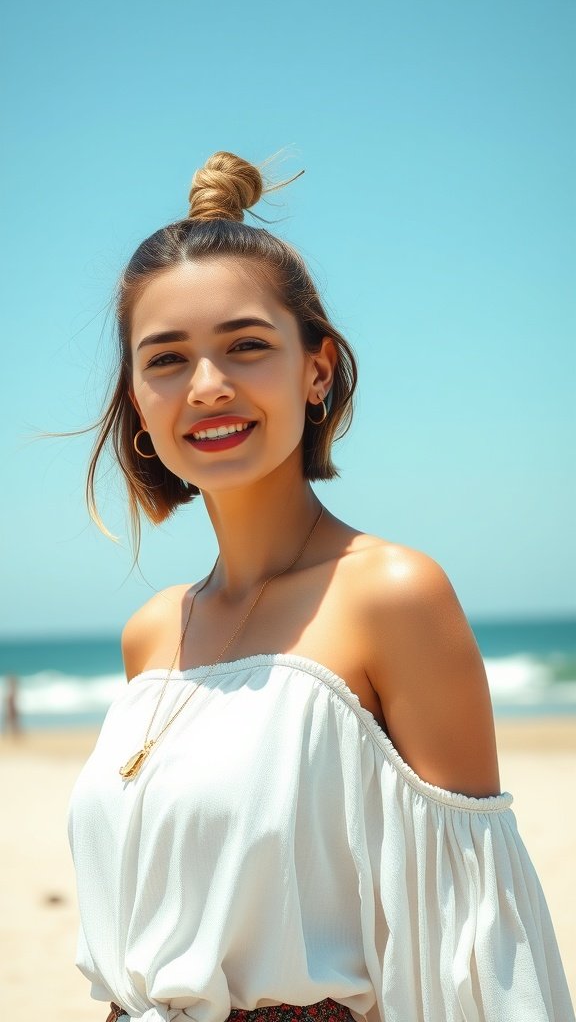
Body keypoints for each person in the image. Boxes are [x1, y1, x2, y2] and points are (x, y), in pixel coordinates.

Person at [68, 151, 574, 1022]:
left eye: (246, 346)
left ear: (318, 368)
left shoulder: (392, 595)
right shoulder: (152, 635)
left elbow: (477, 945)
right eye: (167, 360)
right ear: (138, 403)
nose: (208, 386)